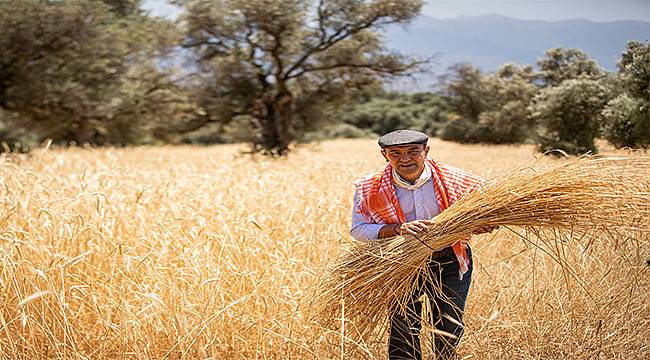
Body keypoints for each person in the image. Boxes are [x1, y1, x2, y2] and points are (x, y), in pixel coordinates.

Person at [350, 129, 495, 360]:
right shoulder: (369, 187)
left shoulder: (457, 180)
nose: (405, 159)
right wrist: (398, 229)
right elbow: (358, 230)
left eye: (412, 152)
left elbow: (481, 217)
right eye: (395, 153)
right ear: (384, 155)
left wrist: (482, 225)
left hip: (450, 260)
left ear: (426, 151)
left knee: (449, 325)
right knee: (403, 327)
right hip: (401, 262)